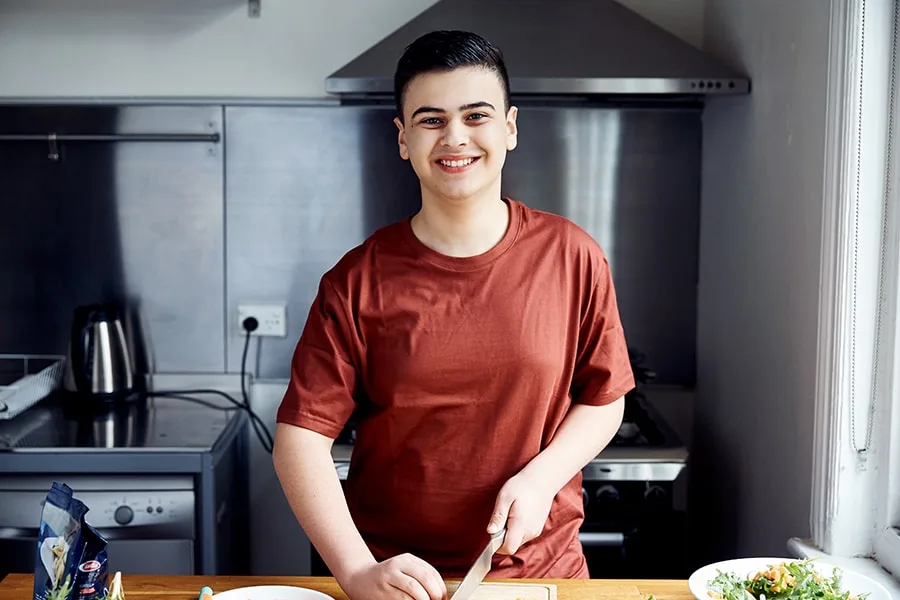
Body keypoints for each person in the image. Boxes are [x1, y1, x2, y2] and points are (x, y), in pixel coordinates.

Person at [272, 29, 635, 600]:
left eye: (476, 115)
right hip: (397, 581)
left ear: (509, 128)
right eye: (432, 120)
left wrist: (543, 477)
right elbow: (300, 437)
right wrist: (356, 569)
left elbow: (604, 395)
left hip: (538, 577)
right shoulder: (356, 280)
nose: (455, 138)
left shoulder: (572, 255)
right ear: (403, 138)